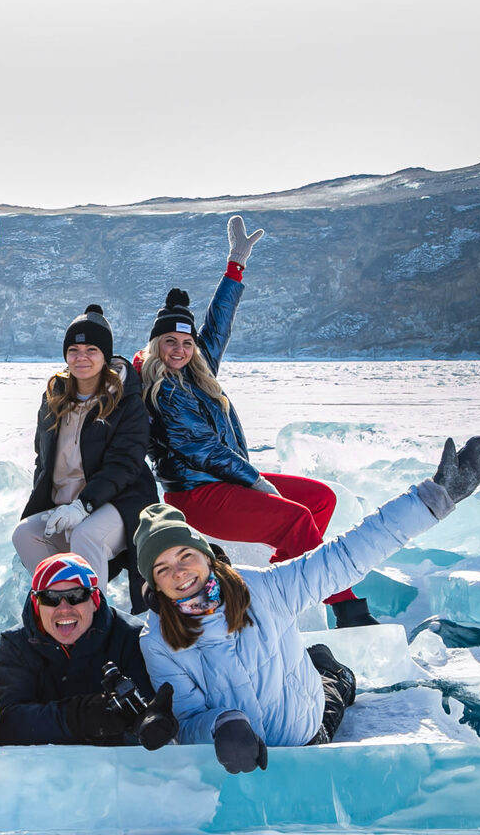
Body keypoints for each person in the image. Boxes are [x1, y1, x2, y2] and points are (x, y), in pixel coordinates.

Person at [133, 437, 480, 773]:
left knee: (335, 689)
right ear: (154, 583)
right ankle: (318, 661)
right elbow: (187, 717)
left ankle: (332, 669)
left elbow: (345, 554)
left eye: (185, 556)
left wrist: (431, 500)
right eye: (163, 568)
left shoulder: (264, 588)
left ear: (206, 556)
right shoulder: (157, 640)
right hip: (239, 755)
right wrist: (221, 724)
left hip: (307, 728)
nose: (179, 573)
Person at [140, 215, 379, 629]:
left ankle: (285, 578)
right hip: (196, 496)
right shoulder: (164, 391)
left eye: (185, 342)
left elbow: (218, 326)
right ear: (156, 345)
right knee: (294, 519)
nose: (179, 349)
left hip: (224, 484)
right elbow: (204, 449)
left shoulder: (198, 371)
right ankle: (347, 608)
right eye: (169, 342)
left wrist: (236, 264)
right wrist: (255, 480)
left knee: (321, 499)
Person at [13, 304, 157, 609]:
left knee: (86, 534)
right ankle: (58, 606)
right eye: (74, 349)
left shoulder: (126, 400)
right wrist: (42, 506)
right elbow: (44, 460)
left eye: (92, 349)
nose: (82, 357)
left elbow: (125, 464)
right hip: (67, 506)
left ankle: (96, 621)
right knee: (26, 534)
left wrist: (85, 504)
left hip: (119, 503)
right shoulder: (54, 396)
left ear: (105, 355)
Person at [0, 554, 177, 748]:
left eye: (76, 596)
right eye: (50, 598)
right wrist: (85, 716)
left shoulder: (130, 637)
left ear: (94, 600)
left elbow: (146, 712)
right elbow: (6, 723)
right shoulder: (16, 645)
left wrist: (154, 724)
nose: (63, 609)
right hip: (40, 771)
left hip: (113, 770)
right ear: (37, 604)